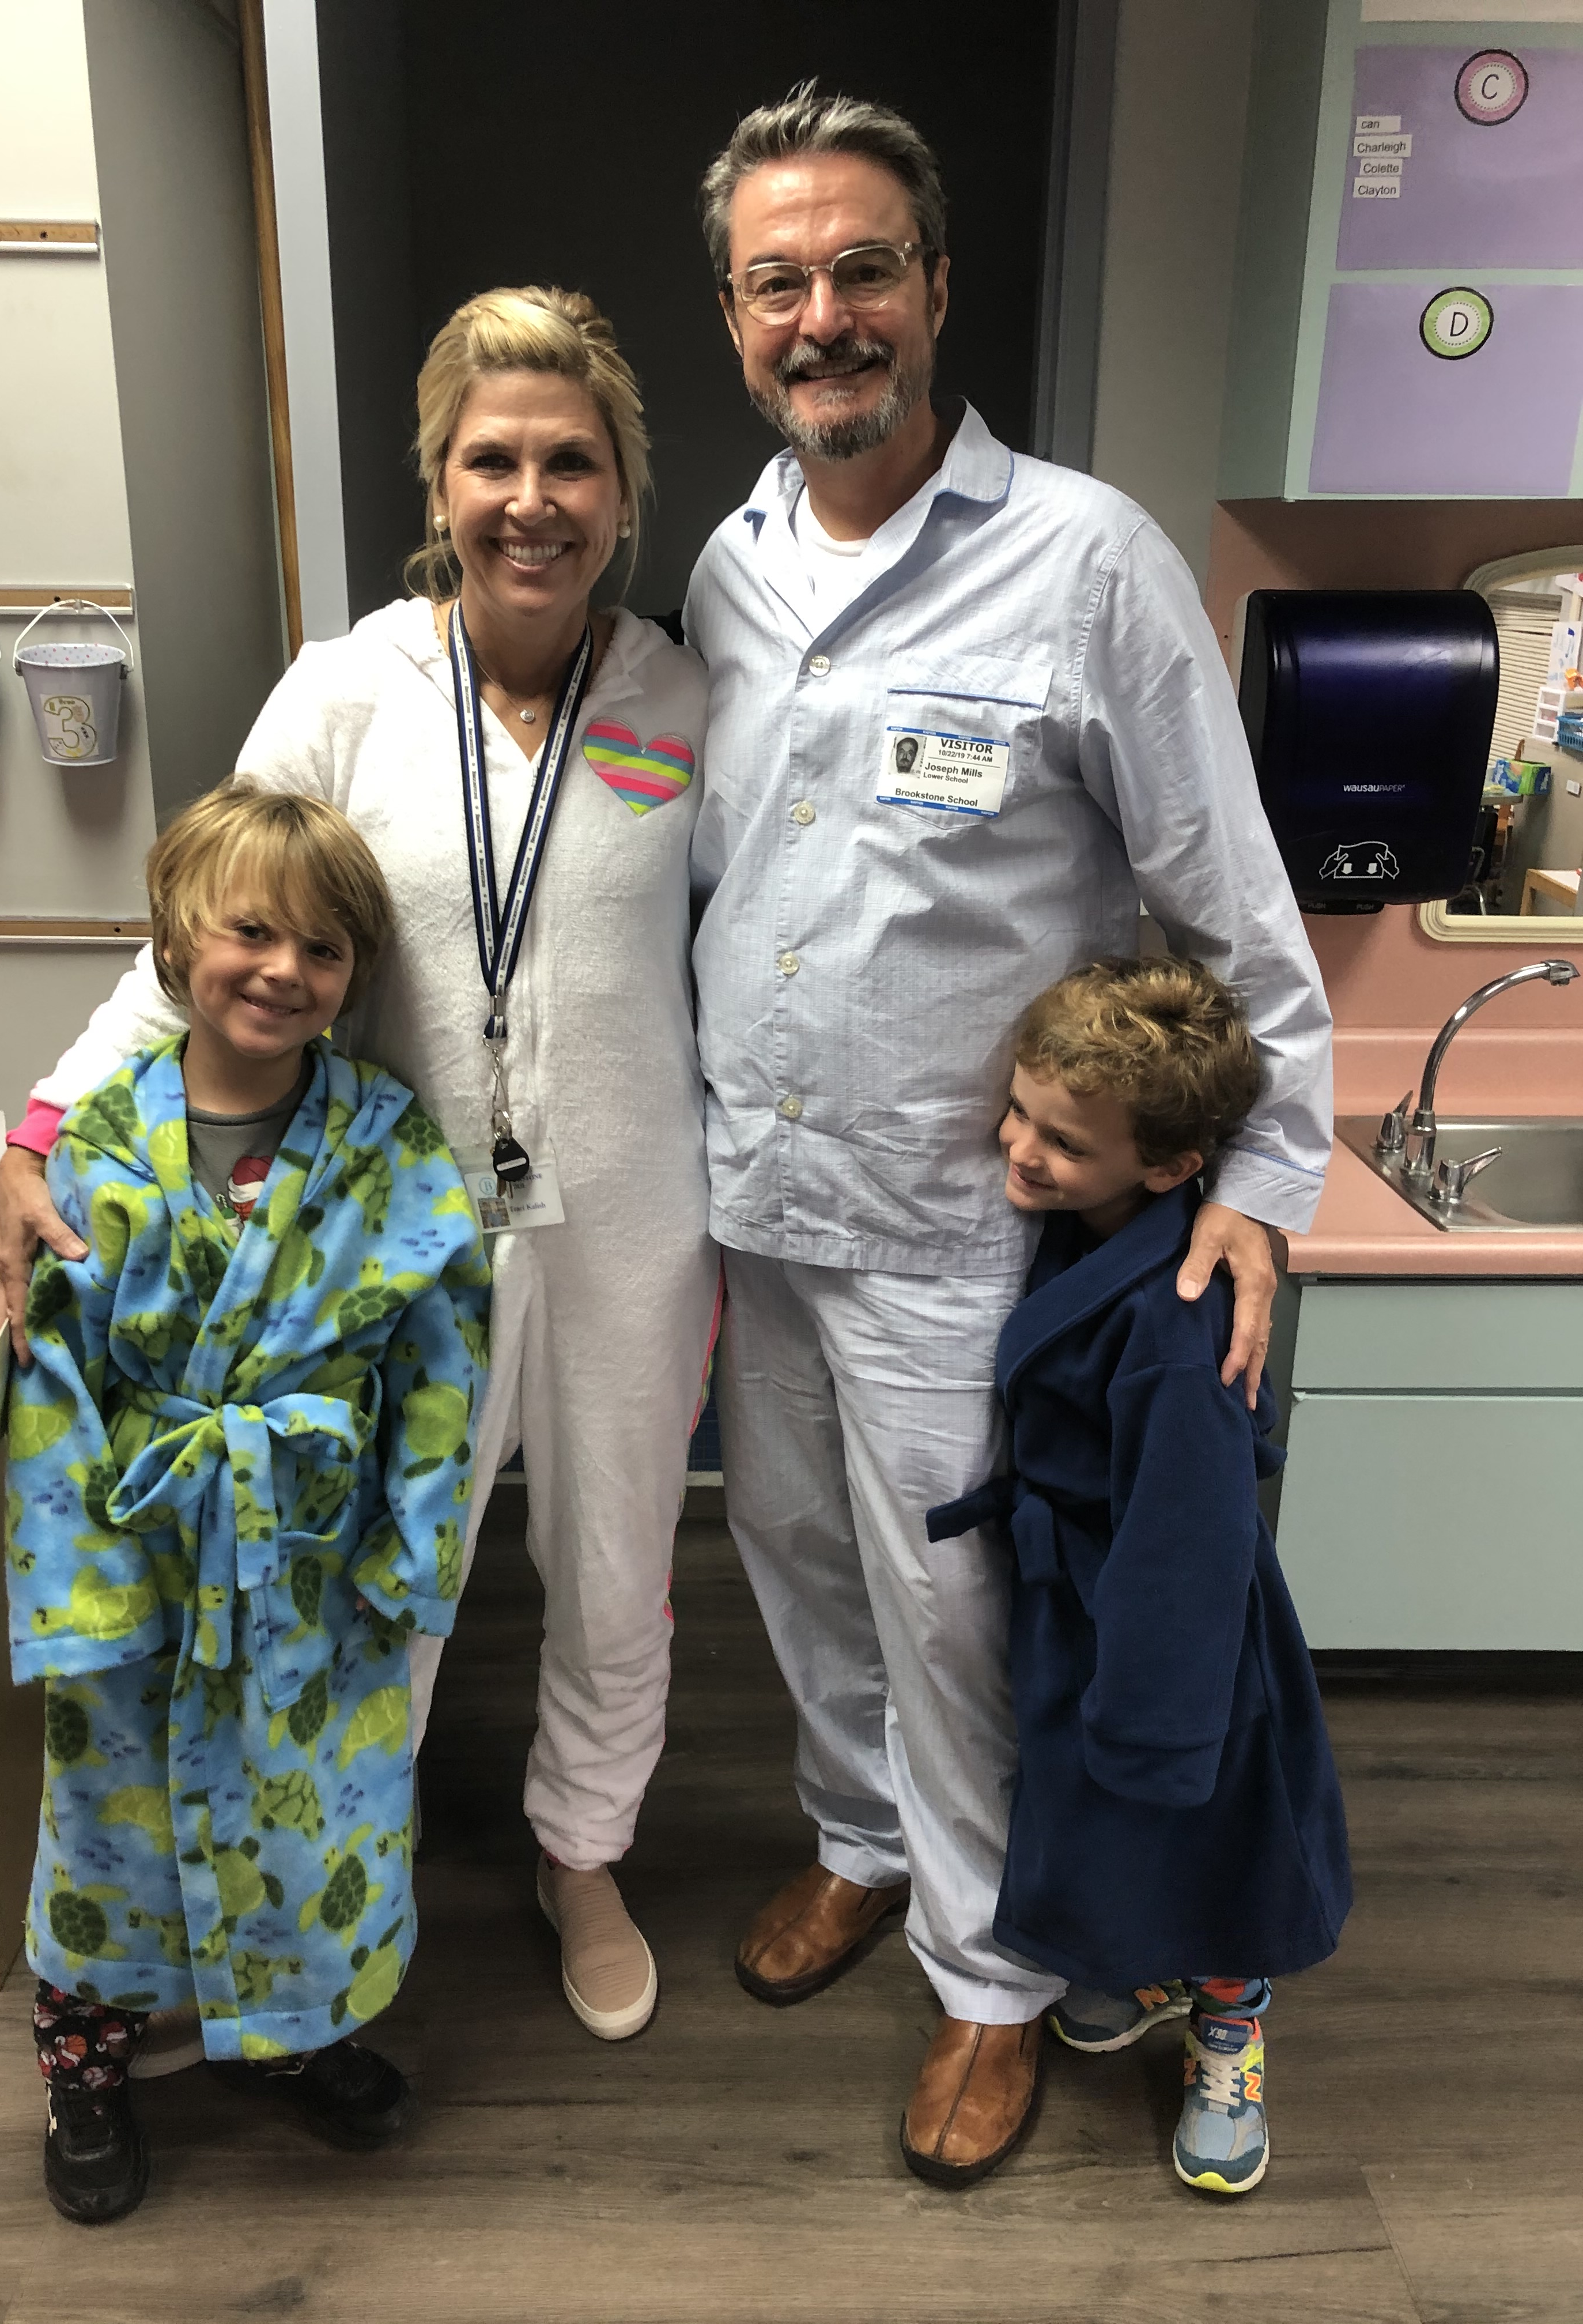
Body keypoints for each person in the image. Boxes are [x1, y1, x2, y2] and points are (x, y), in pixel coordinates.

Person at [686, 86, 1333, 2184]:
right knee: (793, 1558)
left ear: (937, 289)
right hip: (758, 1196)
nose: (825, 316)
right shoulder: (729, 569)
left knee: (958, 1618)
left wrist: (1260, 1186)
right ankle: (860, 1839)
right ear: (735, 319)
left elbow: (1236, 913)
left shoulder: (1085, 561)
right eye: (779, 282)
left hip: (959, 1226)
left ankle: (987, 1975)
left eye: (864, 268)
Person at [0, 286, 720, 2050]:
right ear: (439, 480)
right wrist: (44, 1124)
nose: (531, 500)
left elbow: (771, 951)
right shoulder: (349, 688)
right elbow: (207, 934)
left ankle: (584, 1854)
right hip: (392, 1237)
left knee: (615, 1569)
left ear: (624, 490)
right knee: (379, 1572)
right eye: (494, 460)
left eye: (571, 463)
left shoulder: (687, 695)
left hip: (636, 1227)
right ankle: (330, 1877)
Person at [9, 784, 490, 2223]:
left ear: (355, 976)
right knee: (108, 1825)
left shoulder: (390, 1142)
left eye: (324, 949)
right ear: (176, 940)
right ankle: (87, 2074)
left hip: (311, 1560)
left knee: (312, 1810)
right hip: (142, 1547)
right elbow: (51, 1380)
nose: (285, 970)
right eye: (252, 933)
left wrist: (411, 1551)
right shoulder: (100, 1142)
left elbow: (441, 1359)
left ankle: (293, 2038)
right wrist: (83, 1590)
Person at [925, 957, 1350, 2197]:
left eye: (1063, 1141)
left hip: (1176, 1626)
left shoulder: (1175, 1317)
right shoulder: (1095, 1230)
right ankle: (1150, 1965)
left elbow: (1192, 1534)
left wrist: (1162, 1720)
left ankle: (1230, 2022)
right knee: (1103, 1816)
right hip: (1086, 1593)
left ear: (1169, 1168)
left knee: (1200, 1825)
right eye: (1020, 1113)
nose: (1020, 1148)